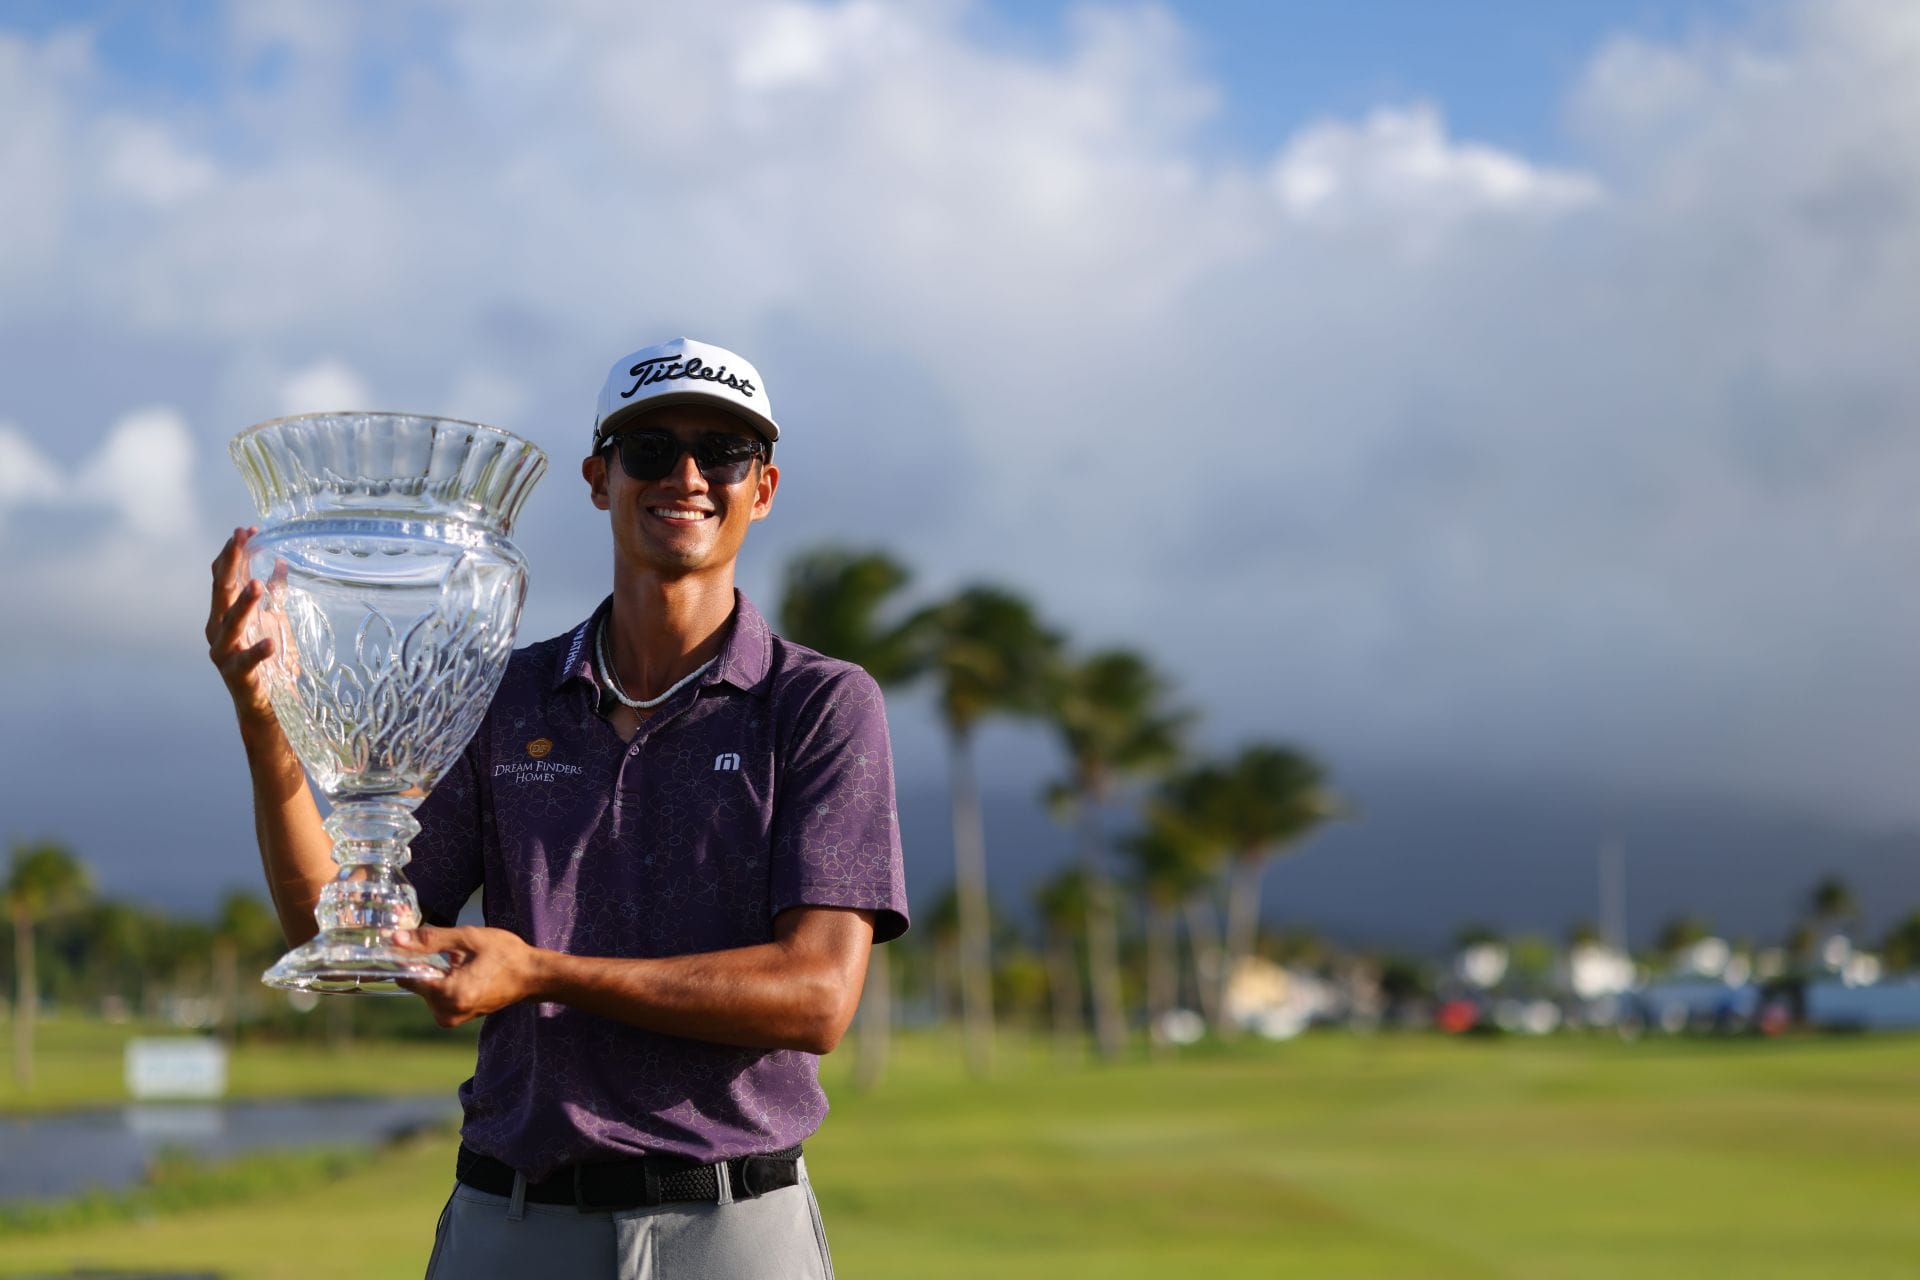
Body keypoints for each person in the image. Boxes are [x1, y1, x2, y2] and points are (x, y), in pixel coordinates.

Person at [206, 336, 909, 1278]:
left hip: (730, 1224)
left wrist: (541, 973)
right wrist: (265, 721)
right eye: (651, 449)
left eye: (723, 452)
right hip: (513, 1218)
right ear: (598, 478)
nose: (688, 476)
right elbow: (337, 926)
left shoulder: (817, 703)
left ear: (764, 487)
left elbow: (817, 995)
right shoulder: (508, 696)